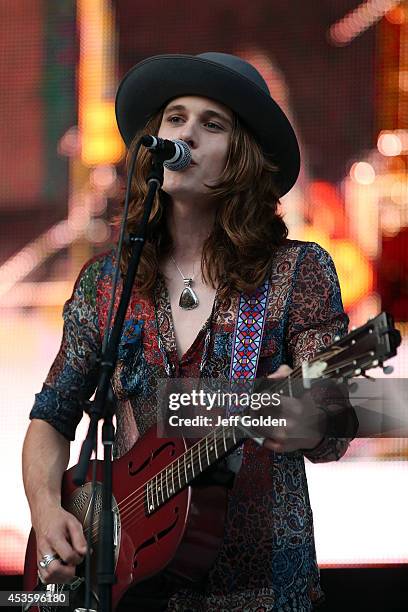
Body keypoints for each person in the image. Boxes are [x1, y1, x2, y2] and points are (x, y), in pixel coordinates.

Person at [22, 52, 357, 611]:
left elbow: (342, 416)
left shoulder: (297, 273)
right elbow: (51, 417)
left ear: (243, 156)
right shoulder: (106, 284)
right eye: (175, 118)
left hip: (261, 591)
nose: (186, 135)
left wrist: (310, 419)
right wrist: (45, 511)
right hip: (129, 589)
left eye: (212, 123)